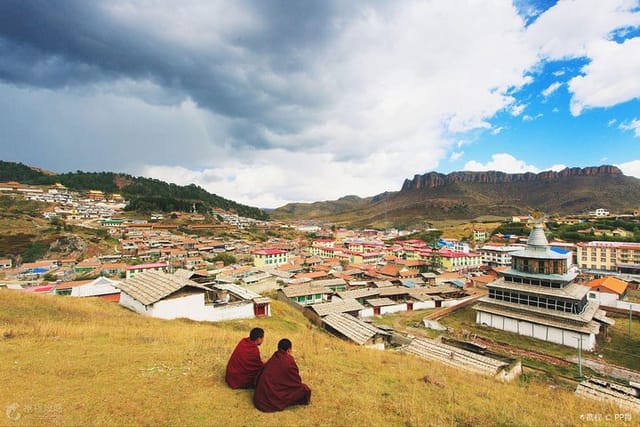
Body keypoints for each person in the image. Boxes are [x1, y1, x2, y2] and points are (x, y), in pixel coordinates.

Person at [253, 338, 311, 412]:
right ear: (289, 350)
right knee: (304, 389)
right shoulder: (289, 360)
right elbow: (296, 383)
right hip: (271, 402)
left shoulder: (274, 357)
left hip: (259, 398)